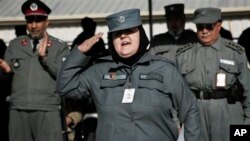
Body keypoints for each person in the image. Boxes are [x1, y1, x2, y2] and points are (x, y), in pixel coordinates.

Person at [57, 8, 201, 141]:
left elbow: (189, 110)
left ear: (141, 34)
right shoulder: (99, 71)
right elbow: (66, 87)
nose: (123, 36)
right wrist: (79, 53)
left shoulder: (164, 69)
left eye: (129, 30)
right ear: (111, 40)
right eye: (117, 33)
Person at [176, 7, 250, 141]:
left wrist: (245, 127)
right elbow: (176, 93)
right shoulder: (183, 54)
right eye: (200, 26)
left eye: (209, 26)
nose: (204, 31)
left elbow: (248, 93)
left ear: (219, 25)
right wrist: (176, 122)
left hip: (229, 115)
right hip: (195, 115)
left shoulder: (236, 53)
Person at [0, 0, 70, 141]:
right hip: (18, 109)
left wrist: (45, 58)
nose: (33, 25)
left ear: (46, 22)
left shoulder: (59, 47)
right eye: (30, 20)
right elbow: (5, 79)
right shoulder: (15, 45)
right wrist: (6, 72)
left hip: (47, 109)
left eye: (38, 20)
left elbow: (65, 75)